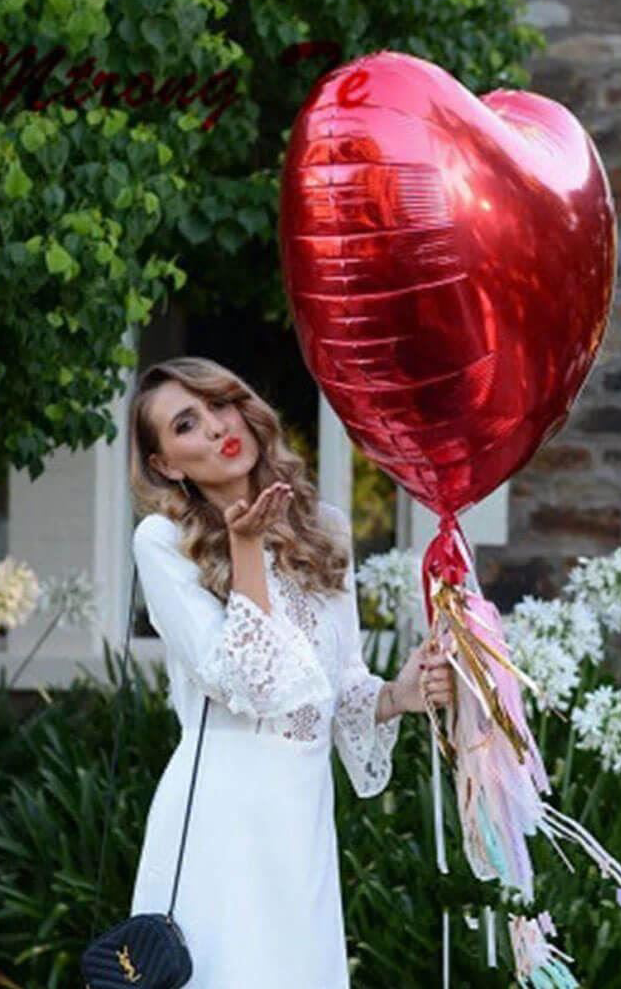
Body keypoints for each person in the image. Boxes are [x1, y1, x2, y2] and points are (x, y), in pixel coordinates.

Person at [125, 356, 453, 987]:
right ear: (166, 464)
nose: (216, 426)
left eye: (220, 403)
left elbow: (337, 685)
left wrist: (398, 695)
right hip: (222, 810)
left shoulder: (324, 528)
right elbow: (249, 685)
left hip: (302, 811)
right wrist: (246, 548)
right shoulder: (162, 541)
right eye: (186, 424)